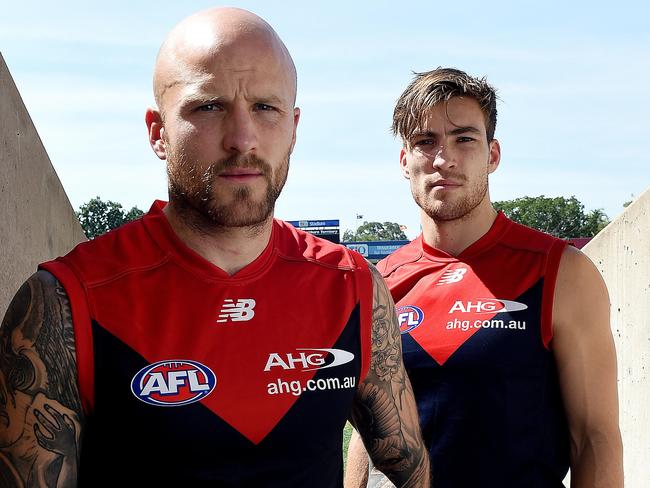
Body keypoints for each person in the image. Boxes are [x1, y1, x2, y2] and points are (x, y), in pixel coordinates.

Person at [0, 8, 429, 487]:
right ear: (157, 132)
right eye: (208, 107)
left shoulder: (353, 287)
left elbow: (407, 466)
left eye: (266, 108)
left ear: (294, 126)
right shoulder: (63, 304)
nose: (242, 138)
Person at [346, 68, 623, 487]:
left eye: (464, 139)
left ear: (492, 154)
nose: (444, 159)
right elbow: (368, 436)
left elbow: (594, 439)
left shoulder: (560, 271)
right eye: (425, 141)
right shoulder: (379, 282)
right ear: (405, 161)